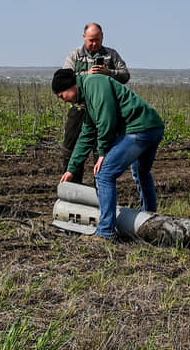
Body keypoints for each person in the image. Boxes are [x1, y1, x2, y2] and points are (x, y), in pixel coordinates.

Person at [52, 67, 164, 240]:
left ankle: (105, 232)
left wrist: (103, 151)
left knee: (104, 174)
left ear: (70, 87)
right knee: (142, 172)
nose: (64, 101)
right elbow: (87, 132)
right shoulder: (87, 95)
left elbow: (106, 119)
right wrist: (72, 168)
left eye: (62, 96)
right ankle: (150, 221)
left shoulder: (94, 83)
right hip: (152, 127)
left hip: (139, 130)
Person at [59, 23, 129, 182]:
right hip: (79, 110)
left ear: (102, 37)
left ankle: (102, 190)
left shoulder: (111, 55)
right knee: (71, 149)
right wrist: (87, 74)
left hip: (104, 111)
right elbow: (66, 79)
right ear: (84, 38)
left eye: (97, 40)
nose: (94, 43)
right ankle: (73, 188)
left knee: (102, 151)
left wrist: (109, 73)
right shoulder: (75, 55)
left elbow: (125, 75)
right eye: (91, 40)